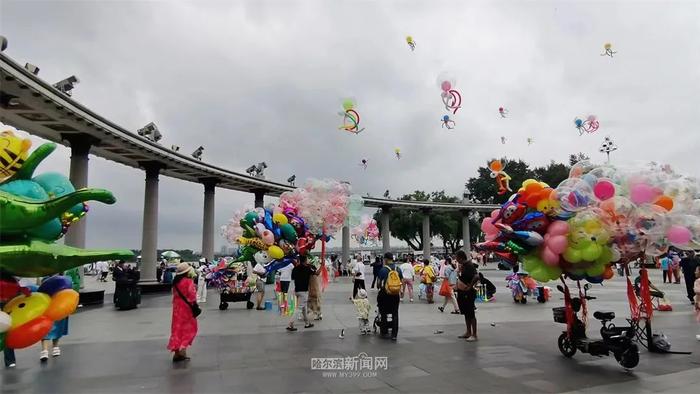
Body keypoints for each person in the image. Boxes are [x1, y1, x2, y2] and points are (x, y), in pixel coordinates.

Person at [168, 263, 199, 362]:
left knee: (177, 329)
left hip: (177, 308)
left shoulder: (175, 282)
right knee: (189, 328)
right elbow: (192, 296)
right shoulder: (188, 281)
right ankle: (183, 350)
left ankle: (177, 353)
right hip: (186, 308)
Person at [287, 255, 318, 331]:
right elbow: (317, 273)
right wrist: (322, 266)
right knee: (299, 308)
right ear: (305, 260)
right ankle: (291, 324)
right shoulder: (307, 268)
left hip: (297, 290)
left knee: (304, 308)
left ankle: (307, 323)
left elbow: (293, 277)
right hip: (303, 291)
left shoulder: (295, 268)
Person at [376, 252, 402, 341]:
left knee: (383, 313)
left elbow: (378, 284)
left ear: (386, 259)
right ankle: (394, 334)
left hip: (385, 295)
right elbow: (400, 281)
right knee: (395, 314)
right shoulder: (398, 269)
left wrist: (381, 287)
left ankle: (384, 331)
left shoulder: (383, 270)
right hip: (395, 295)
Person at [455, 250, 479, 342]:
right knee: (466, 313)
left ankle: (474, 334)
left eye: (456, 257)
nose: (456, 259)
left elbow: (476, 276)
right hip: (462, 292)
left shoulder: (469, 265)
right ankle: (468, 332)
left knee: (470, 313)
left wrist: (470, 286)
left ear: (461, 257)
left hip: (468, 293)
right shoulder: (463, 266)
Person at [693, 266, 700, 341]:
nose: (695, 272)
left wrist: (697, 303)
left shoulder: (698, 281)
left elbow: (698, 293)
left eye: (696, 270)